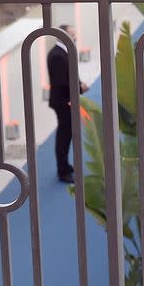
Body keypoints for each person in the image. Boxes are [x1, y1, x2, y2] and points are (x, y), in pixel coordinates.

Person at [46, 25, 88, 183]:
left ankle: (65, 165)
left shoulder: (63, 51)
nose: (75, 37)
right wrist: (79, 88)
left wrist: (79, 83)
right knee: (64, 135)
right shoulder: (57, 55)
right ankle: (62, 170)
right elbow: (61, 82)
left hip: (67, 100)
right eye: (72, 35)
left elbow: (70, 74)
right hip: (63, 102)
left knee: (67, 134)